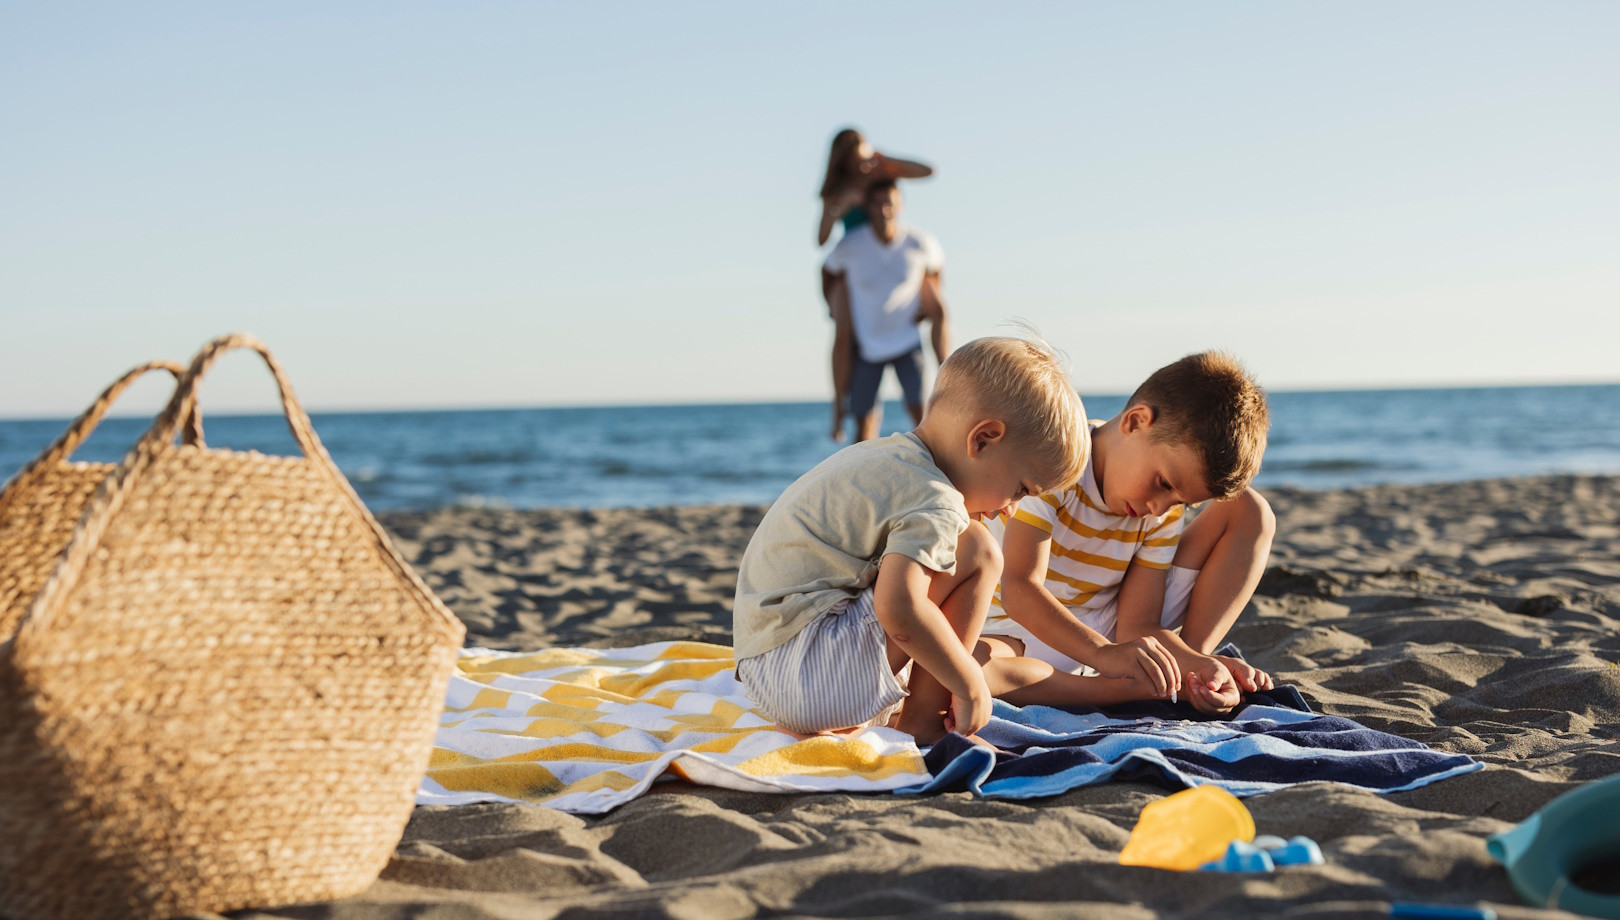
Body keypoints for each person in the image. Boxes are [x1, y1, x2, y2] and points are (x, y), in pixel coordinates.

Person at [733, 335, 1089, 745]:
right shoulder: (935, 498)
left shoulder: (887, 458)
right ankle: (925, 722)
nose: (1010, 509)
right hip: (810, 673)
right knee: (978, 549)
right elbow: (899, 609)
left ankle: (829, 718)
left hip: (764, 670)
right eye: (1021, 488)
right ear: (984, 438)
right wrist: (968, 681)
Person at [981, 350, 1278, 715]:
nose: (1160, 507)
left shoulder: (1161, 510)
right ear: (1136, 422)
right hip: (1023, 628)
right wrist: (1101, 655)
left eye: (1180, 502)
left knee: (1251, 511)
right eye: (1164, 483)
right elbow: (1020, 591)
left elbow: (1139, 625)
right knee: (977, 665)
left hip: (1114, 627)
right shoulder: (1056, 462)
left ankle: (1182, 674)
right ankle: (1119, 691)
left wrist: (1195, 665)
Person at [824, 180, 951, 443]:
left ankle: (950, 382)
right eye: (878, 203)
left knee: (923, 417)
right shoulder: (852, 244)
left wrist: (926, 305)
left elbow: (937, 267)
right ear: (868, 207)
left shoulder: (919, 242)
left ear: (900, 205)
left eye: (889, 203)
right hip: (868, 345)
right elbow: (826, 270)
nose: (884, 210)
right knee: (865, 425)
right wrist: (832, 307)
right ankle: (862, 476)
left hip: (906, 340)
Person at [817, 127, 934, 249]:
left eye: (863, 161)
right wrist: (842, 205)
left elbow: (927, 171)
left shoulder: (879, 174)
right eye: (855, 163)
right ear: (844, 163)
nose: (862, 168)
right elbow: (821, 239)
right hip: (857, 253)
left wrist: (885, 160)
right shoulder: (837, 189)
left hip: (888, 248)